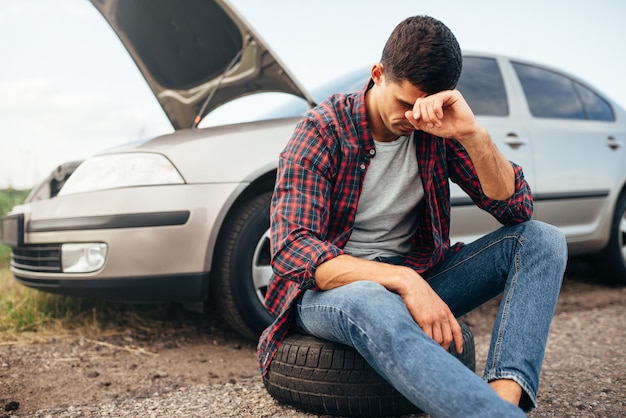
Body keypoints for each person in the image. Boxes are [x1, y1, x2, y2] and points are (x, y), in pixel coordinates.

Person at [258, 15, 567, 417]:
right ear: (378, 74)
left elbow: (515, 209)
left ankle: (504, 404)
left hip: (421, 274)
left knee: (542, 239)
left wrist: (472, 134)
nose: (413, 118)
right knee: (372, 298)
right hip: (333, 292)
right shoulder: (322, 130)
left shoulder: (433, 125)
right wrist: (402, 281)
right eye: (404, 103)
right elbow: (292, 249)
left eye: (423, 107)